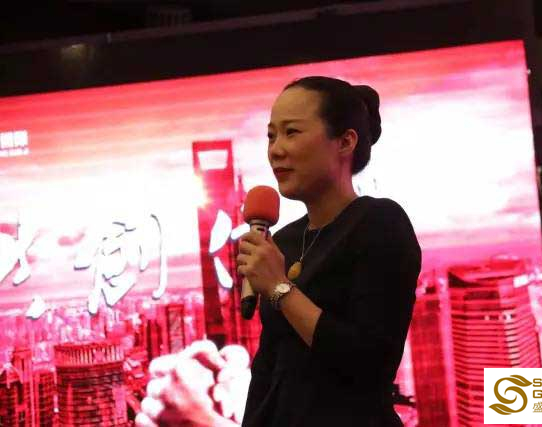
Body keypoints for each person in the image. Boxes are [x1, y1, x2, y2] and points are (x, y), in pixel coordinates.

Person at [136, 76, 421, 427]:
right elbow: (270, 373)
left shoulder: (379, 222)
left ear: (345, 141)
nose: (276, 150)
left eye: (292, 132)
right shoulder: (284, 240)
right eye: (271, 136)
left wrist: (279, 288)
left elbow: (370, 364)